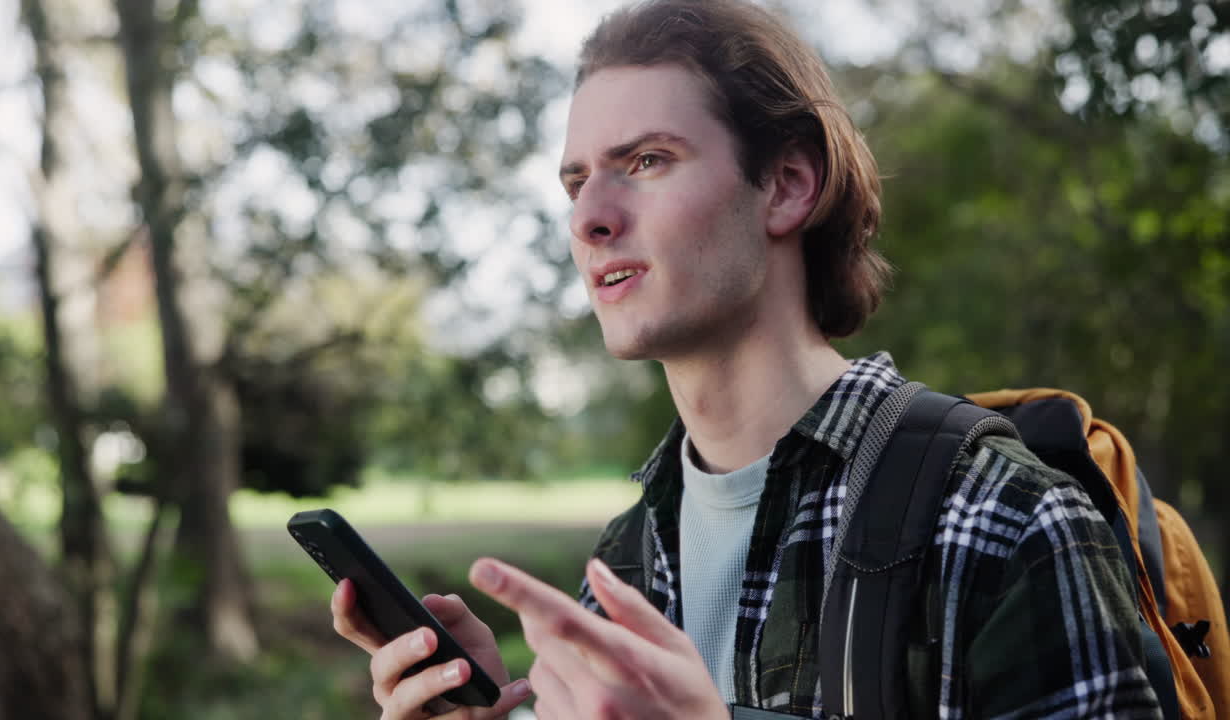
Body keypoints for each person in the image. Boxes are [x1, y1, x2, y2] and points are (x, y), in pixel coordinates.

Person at [331, 0, 1162, 717]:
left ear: (789, 185)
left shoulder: (1003, 522)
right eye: (575, 181)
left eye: (647, 161)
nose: (589, 218)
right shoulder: (623, 567)